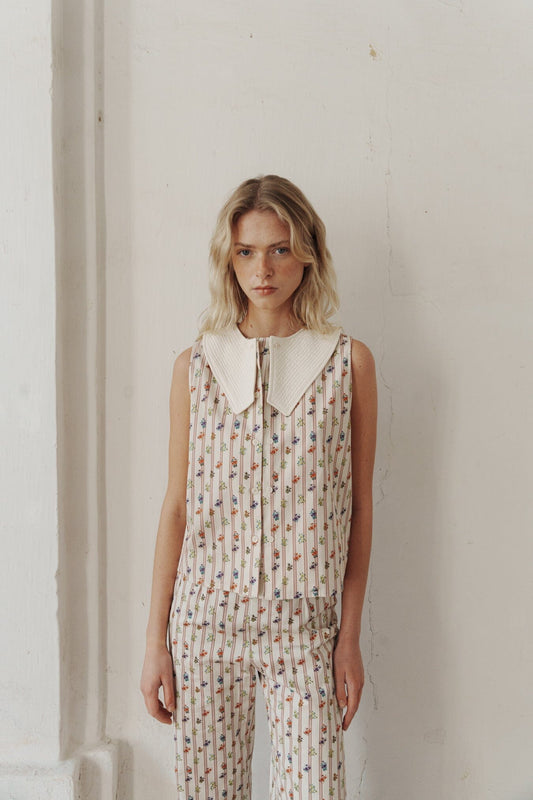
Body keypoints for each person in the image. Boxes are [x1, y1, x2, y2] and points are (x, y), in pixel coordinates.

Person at [140, 174, 377, 800]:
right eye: (246, 251)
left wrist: (349, 637)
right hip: (204, 629)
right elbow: (176, 508)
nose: (262, 269)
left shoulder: (348, 363)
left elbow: (358, 510)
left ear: (308, 253)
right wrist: (156, 642)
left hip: (305, 632)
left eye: (279, 249)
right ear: (229, 258)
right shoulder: (195, 367)